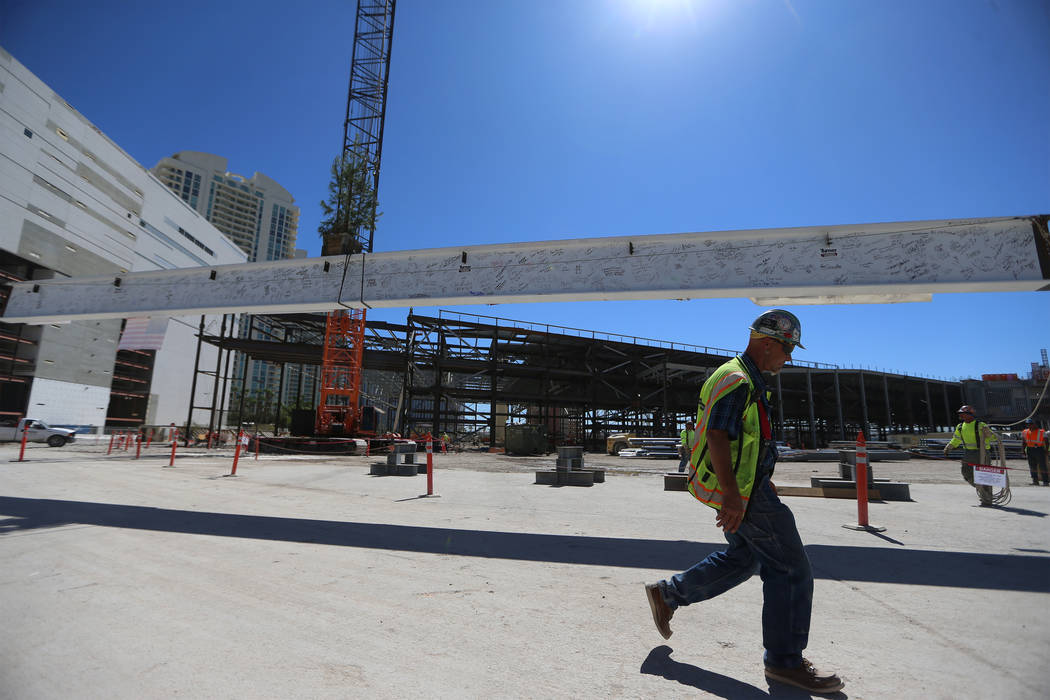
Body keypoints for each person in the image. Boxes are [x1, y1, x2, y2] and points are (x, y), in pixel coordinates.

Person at [643, 309, 844, 695]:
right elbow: (718, 436)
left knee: (747, 557)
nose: (789, 359)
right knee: (790, 568)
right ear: (768, 343)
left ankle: (670, 593)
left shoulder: (744, 377)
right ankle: (785, 663)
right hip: (747, 493)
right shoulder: (737, 380)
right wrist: (733, 497)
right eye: (787, 350)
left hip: (747, 487)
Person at [943, 405, 1000, 505]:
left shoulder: (980, 425)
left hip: (982, 453)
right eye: (960, 414)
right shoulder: (960, 427)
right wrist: (949, 447)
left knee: (984, 475)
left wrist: (989, 434)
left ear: (970, 414)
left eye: (963, 414)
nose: (961, 416)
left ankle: (987, 499)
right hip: (968, 453)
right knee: (966, 473)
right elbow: (956, 439)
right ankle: (982, 490)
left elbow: (994, 438)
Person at [1021, 419, 1049, 486]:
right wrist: (1023, 451)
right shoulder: (1025, 432)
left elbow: (1047, 442)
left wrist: (1046, 450)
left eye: (1030, 424)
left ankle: (1045, 481)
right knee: (1032, 466)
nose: (1029, 425)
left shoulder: (1041, 432)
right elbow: (1024, 442)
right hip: (1030, 450)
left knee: (1042, 466)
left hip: (1039, 450)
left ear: (1035, 424)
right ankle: (1035, 481)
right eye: (1028, 424)